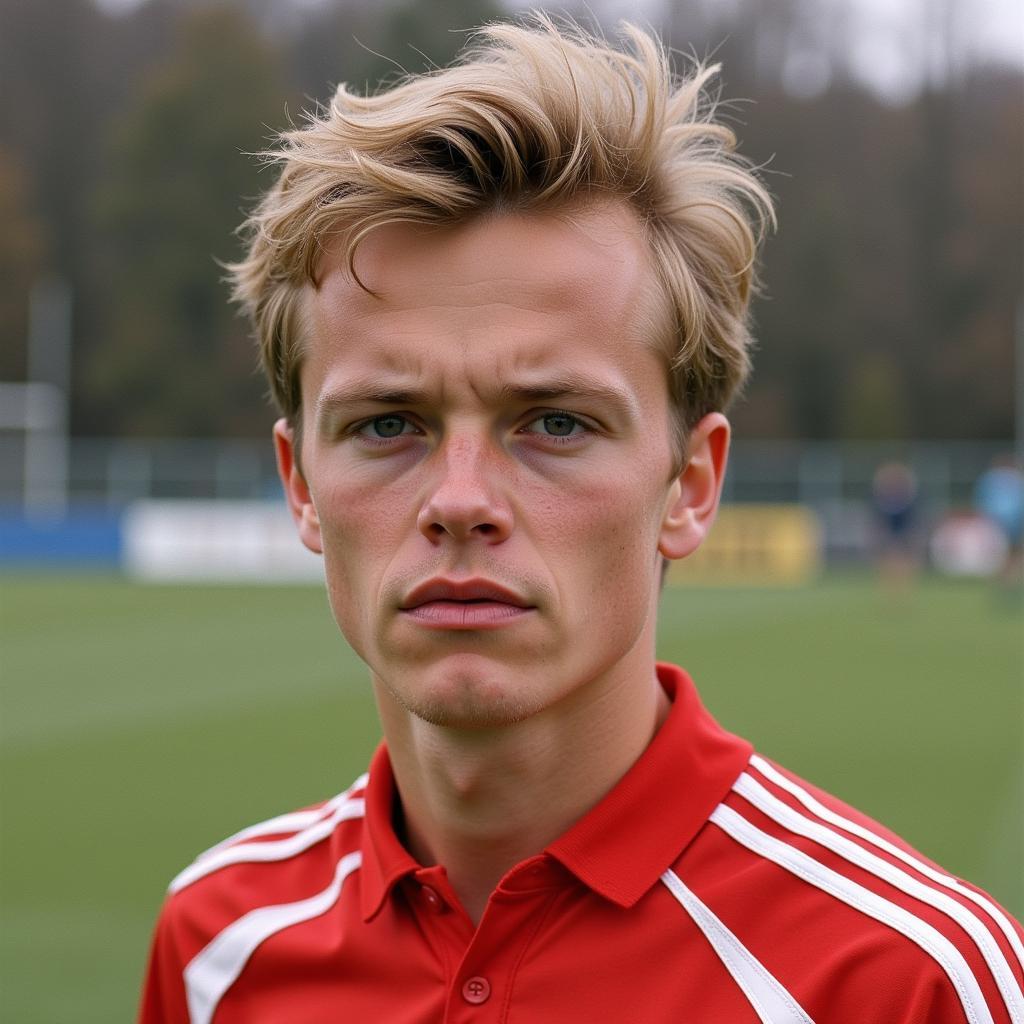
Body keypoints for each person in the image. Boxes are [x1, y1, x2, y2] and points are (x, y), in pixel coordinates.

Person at [138, 17, 1023, 1023]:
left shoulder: (909, 983)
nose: (460, 500)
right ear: (300, 483)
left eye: (555, 421)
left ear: (690, 482)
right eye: (388, 423)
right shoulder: (217, 947)